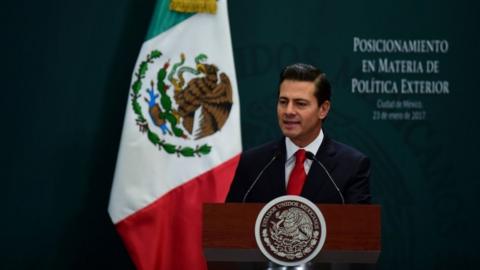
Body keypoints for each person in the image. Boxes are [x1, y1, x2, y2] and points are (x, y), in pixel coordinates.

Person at [226, 63, 371, 203]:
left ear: (323, 109)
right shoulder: (252, 163)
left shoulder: (351, 165)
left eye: (300, 104)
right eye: (283, 102)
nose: (288, 111)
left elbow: (359, 225)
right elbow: (230, 221)